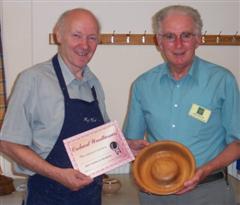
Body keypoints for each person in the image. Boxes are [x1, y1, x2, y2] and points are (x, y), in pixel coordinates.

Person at [124, 5, 240, 205]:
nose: (178, 44)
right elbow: (132, 143)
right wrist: (136, 166)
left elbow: (237, 143)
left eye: (186, 35)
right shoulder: (142, 85)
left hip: (209, 192)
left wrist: (204, 171)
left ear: (199, 39)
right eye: (169, 36)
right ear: (159, 42)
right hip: (155, 194)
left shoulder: (222, 80)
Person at [0, 8, 109, 205]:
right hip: (47, 197)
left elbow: (98, 143)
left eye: (92, 38)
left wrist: (124, 145)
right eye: (76, 35)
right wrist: (58, 174)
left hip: (91, 198)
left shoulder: (94, 84)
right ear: (58, 35)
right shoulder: (33, 79)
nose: (84, 45)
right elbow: (8, 142)